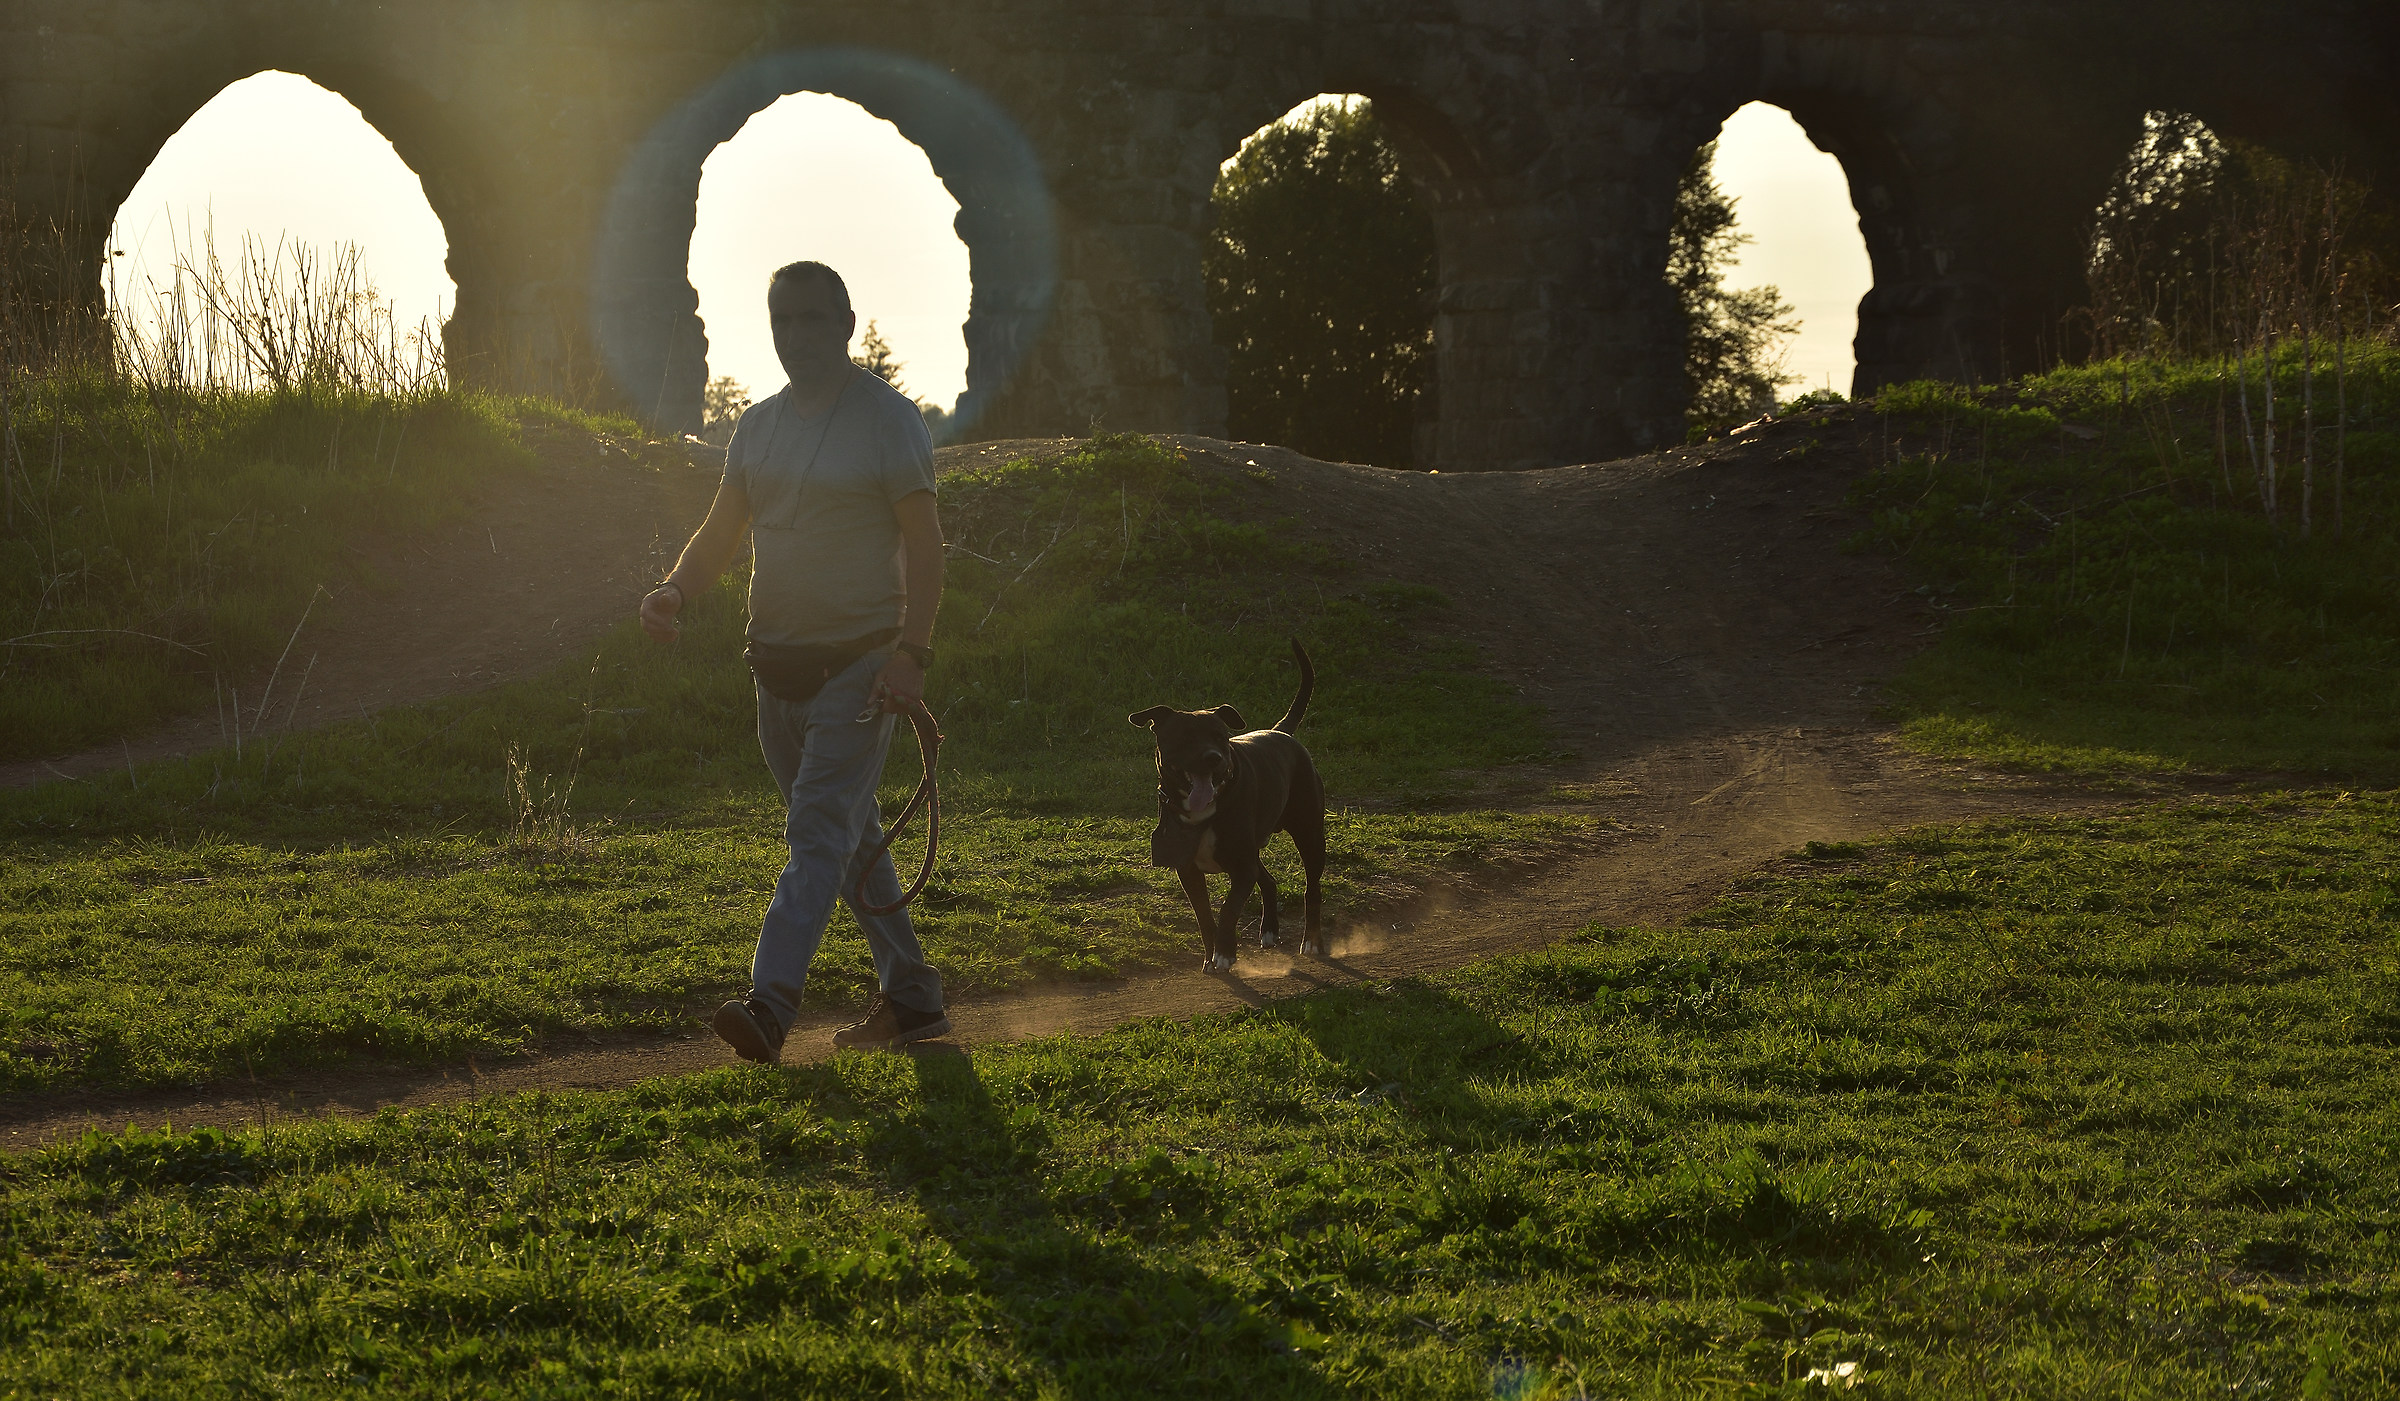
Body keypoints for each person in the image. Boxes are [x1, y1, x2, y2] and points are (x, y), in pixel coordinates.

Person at [639, 260, 949, 1059]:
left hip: (858, 668)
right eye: (784, 320)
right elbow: (719, 533)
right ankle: (912, 998)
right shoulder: (757, 425)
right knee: (846, 836)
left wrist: (910, 655)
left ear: (847, 324)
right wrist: (675, 590)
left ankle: (770, 1005)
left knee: (817, 834)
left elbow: (926, 546)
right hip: (770, 670)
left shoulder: (889, 420)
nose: (798, 336)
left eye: (815, 319)